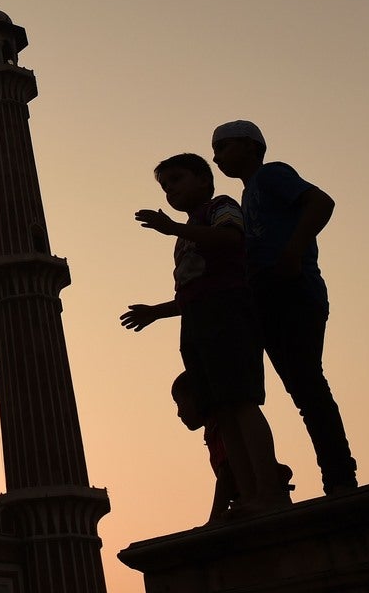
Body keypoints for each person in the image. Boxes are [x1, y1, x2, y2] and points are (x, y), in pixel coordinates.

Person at [121, 153, 289, 515]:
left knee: (241, 402)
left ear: (203, 179)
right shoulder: (187, 234)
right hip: (198, 320)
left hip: (228, 313)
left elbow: (231, 239)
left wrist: (174, 229)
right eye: (165, 186)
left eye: (176, 180)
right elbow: (192, 292)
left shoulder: (220, 209)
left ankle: (268, 490)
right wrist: (156, 312)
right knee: (220, 410)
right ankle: (248, 495)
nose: (170, 191)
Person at [212, 120, 358, 494]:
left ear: (249, 145)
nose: (217, 157)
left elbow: (321, 202)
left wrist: (292, 253)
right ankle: (332, 473)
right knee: (303, 389)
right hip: (269, 295)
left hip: (292, 290)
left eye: (223, 147)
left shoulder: (271, 176)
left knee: (308, 385)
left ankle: (339, 474)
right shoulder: (248, 197)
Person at [172, 371, 293, 523]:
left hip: (254, 498)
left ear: (196, 397)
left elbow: (227, 475)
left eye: (179, 403)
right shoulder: (213, 428)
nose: (178, 413)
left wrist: (214, 520)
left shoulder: (220, 426)